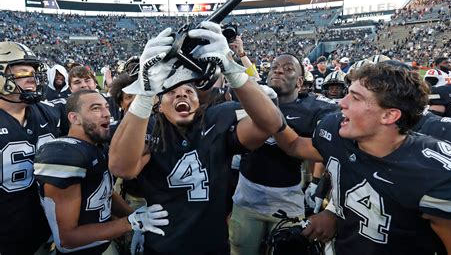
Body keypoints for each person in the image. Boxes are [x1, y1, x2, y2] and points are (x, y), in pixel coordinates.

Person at [109, 22, 285, 254]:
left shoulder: (216, 118)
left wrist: (233, 71)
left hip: (212, 246)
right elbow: (122, 167)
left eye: (189, 91)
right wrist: (144, 93)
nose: (181, 92)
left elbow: (272, 124)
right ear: (159, 106)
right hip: (162, 247)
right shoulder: (150, 125)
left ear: (198, 102)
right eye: (171, 92)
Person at [275, 62, 451, 254]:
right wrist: (334, 214)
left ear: (389, 116)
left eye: (355, 98)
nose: (341, 104)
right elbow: (295, 146)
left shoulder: (439, 175)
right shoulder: (337, 132)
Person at [34, 90, 169, 254]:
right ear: (74, 118)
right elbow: (67, 239)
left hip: (104, 244)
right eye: (96, 108)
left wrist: (136, 218)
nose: (106, 113)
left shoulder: (97, 146)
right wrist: (130, 222)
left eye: (106, 107)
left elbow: (105, 193)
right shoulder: (63, 155)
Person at [229, 53, 338, 255]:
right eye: (274, 67)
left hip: (287, 198)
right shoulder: (249, 98)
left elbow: (326, 150)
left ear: (299, 82)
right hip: (247, 196)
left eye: (288, 68)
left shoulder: (315, 109)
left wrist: (315, 182)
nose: (278, 70)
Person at [0, 41, 63, 255]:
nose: (32, 78)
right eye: (22, 72)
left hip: (45, 233)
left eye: (34, 72)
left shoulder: (49, 113)